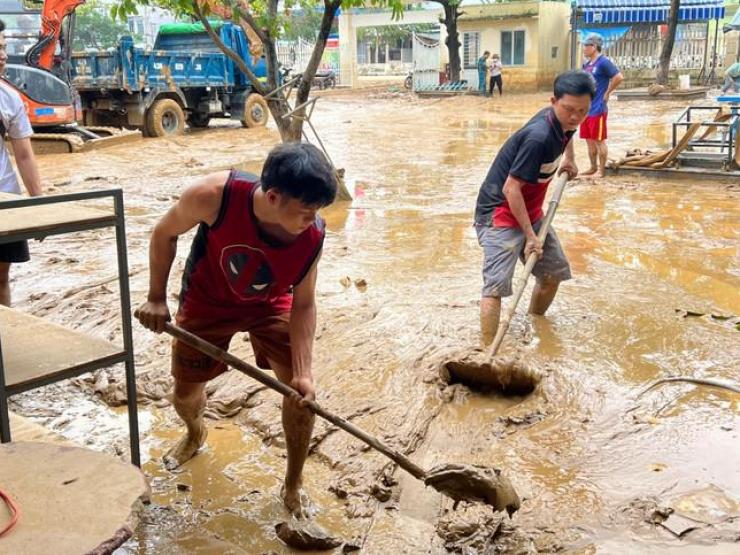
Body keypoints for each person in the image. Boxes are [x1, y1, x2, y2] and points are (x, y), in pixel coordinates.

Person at [134, 142, 337, 516]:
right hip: (207, 299)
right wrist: (156, 297)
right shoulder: (213, 197)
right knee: (184, 395)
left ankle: (293, 483)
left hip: (270, 304)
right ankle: (196, 433)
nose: (313, 219)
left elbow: (304, 303)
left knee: (302, 397)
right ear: (273, 197)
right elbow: (164, 233)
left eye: (318, 211)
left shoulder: (313, 235)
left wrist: (304, 373)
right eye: (306, 211)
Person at [474, 71, 595, 345]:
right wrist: (530, 237)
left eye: (582, 111)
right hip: (499, 214)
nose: (575, 117)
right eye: (569, 110)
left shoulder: (566, 121)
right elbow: (510, 189)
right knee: (495, 288)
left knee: (552, 274)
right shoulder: (538, 137)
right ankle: (486, 351)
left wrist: (570, 160)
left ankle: (532, 324)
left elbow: (570, 131)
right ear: (553, 101)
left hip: (530, 211)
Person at [0, 19, 43, 307]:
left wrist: (40, 206)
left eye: (2, 47)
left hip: (6, 202)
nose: (2, 54)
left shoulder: (9, 99)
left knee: (1, 279)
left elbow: (24, 156)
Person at [579, 34, 623, 178]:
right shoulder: (586, 65)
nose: (584, 48)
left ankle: (601, 171)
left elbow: (618, 77)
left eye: (586, 46)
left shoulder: (603, 62)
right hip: (586, 110)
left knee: (599, 140)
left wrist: (608, 92)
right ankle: (592, 167)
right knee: (589, 141)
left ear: (594, 47)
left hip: (598, 109)